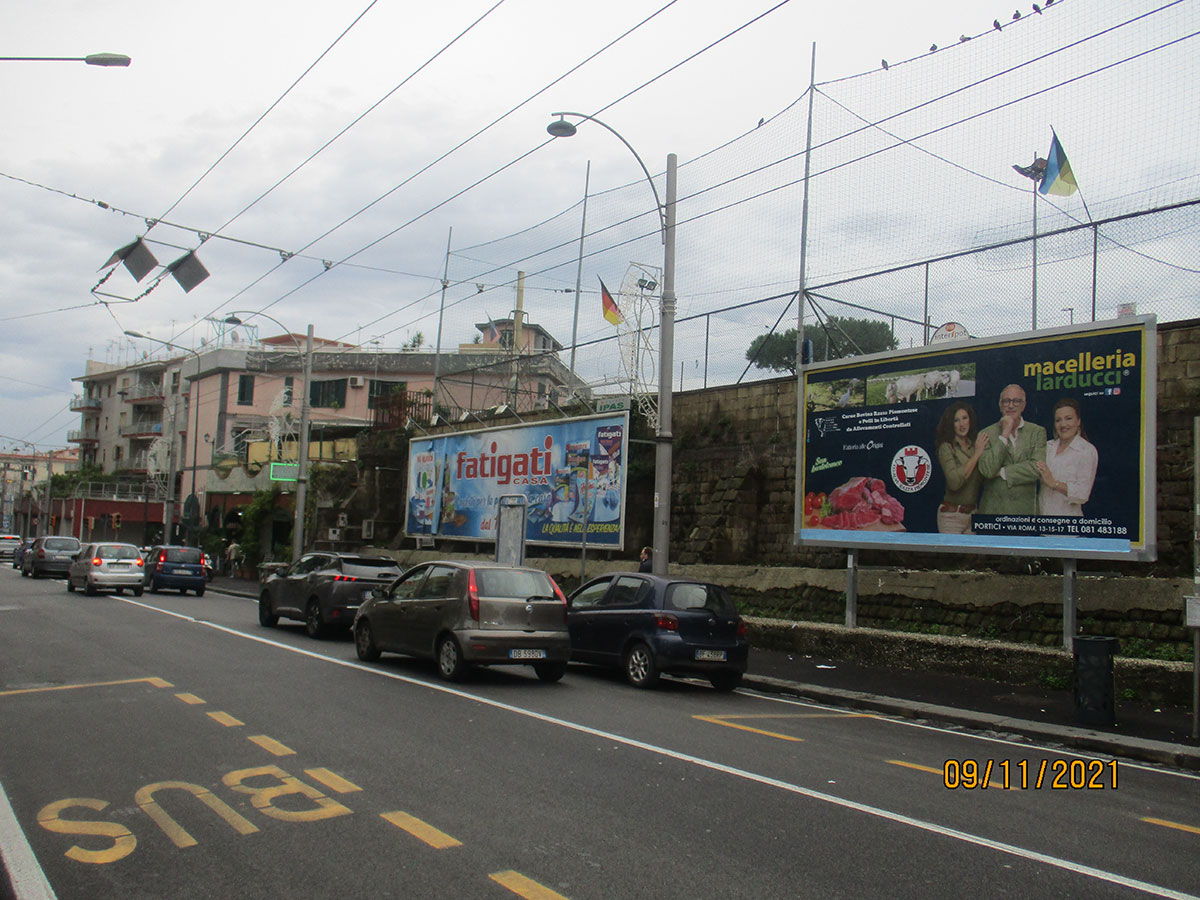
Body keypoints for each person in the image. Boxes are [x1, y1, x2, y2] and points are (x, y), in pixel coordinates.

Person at [977, 384, 1047, 515]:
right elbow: (987, 470)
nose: (1010, 405)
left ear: (1024, 405)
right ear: (1000, 405)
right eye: (1006, 401)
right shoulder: (985, 433)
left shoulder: (1037, 431)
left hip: (1025, 513)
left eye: (1016, 401)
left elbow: (1037, 469)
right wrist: (1004, 434)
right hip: (993, 513)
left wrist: (1003, 472)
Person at [934, 402, 989, 533]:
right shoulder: (946, 447)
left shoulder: (975, 445)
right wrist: (977, 454)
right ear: (951, 424)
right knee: (952, 554)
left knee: (972, 554)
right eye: (956, 420)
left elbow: (986, 474)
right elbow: (954, 482)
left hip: (973, 515)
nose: (962, 424)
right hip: (951, 517)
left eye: (965, 418)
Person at [1037, 397, 1098, 516]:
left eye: (1068, 418)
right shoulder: (1047, 447)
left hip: (1068, 529)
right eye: (1058, 420)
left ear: (1078, 421)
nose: (1063, 424)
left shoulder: (1086, 451)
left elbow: (1083, 494)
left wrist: (1053, 483)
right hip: (1041, 524)